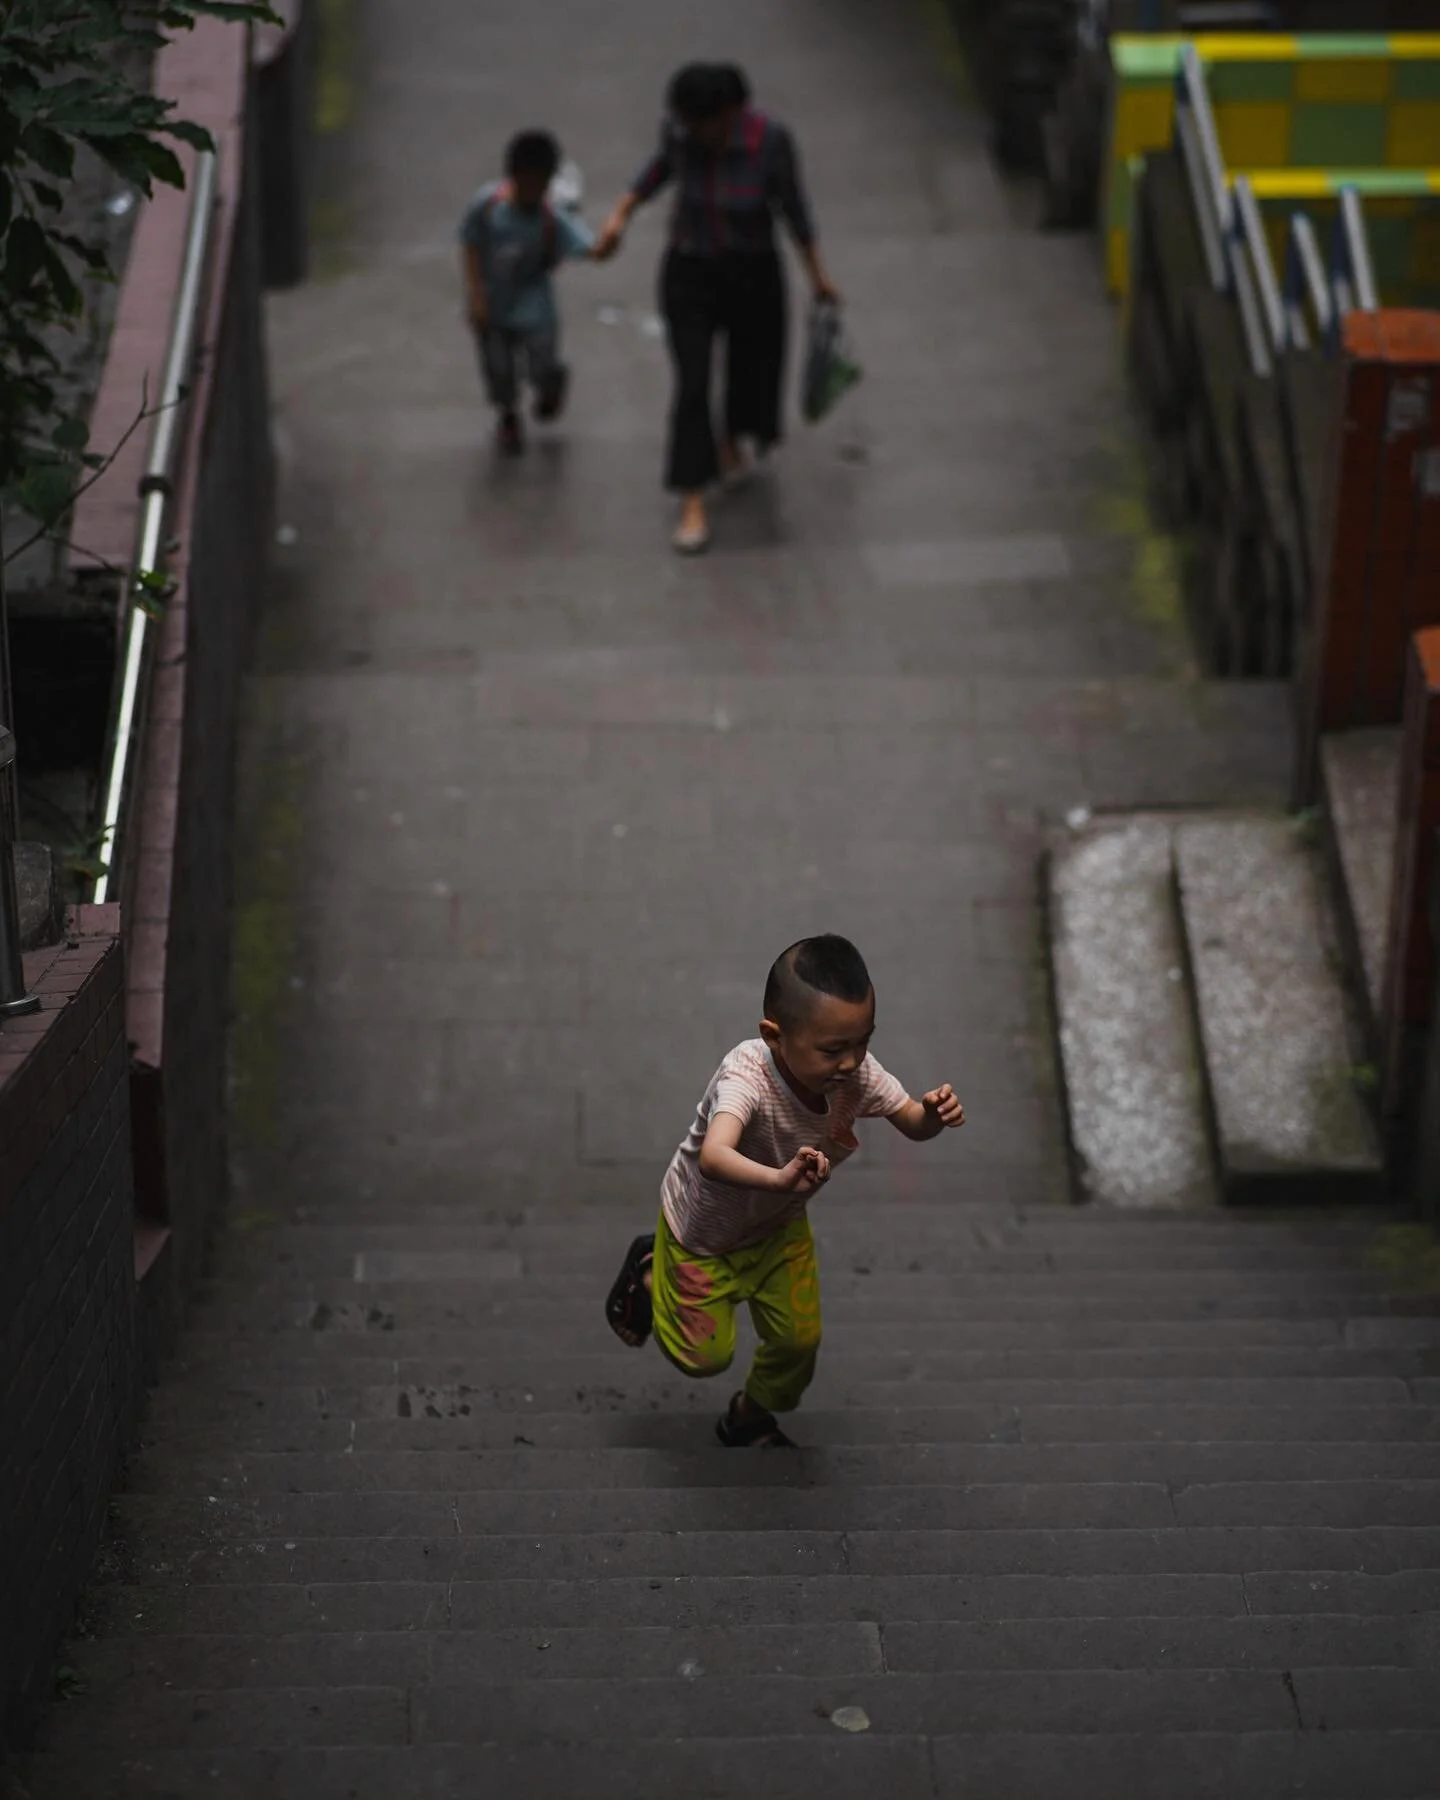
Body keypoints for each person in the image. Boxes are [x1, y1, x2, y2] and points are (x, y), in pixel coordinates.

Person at [604, 935, 966, 1446]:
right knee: (704, 1357)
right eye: (832, 1049)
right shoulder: (745, 1075)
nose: (851, 1062)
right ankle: (649, 1272)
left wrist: (932, 1115)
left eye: (863, 1041)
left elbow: (909, 1119)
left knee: (800, 1341)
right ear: (775, 1036)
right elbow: (714, 1154)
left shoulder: (857, 1073)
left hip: (776, 1229)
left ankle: (748, 1416)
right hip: (702, 1234)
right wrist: (777, 1179)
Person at [594, 63, 841, 554]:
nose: (693, 134)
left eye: (701, 123)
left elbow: (795, 210)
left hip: (752, 271)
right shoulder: (681, 135)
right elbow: (656, 170)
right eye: (686, 123)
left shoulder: (770, 141)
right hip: (690, 271)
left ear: (730, 114)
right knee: (692, 381)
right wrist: (620, 214)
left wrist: (818, 277)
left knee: (750, 366)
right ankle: (691, 498)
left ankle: (733, 438)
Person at [458, 129, 598, 456]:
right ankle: (507, 415)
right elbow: (471, 244)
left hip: (535, 306)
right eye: (528, 183)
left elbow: (585, 245)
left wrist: (606, 243)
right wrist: (476, 294)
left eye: (541, 185)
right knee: (498, 368)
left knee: (542, 360)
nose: (534, 192)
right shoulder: (488, 206)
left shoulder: (552, 216)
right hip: (494, 304)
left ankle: (550, 385)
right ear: (512, 176)